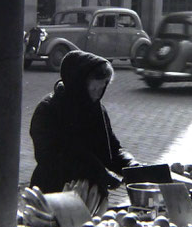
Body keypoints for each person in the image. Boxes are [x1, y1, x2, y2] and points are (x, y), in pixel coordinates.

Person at [30, 50, 140, 197]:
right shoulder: (48, 110)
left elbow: (111, 148)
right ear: (79, 83)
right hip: (54, 192)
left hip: (91, 194)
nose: (97, 94)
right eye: (94, 88)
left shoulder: (97, 110)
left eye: (102, 88)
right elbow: (49, 157)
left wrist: (131, 164)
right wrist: (98, 172)